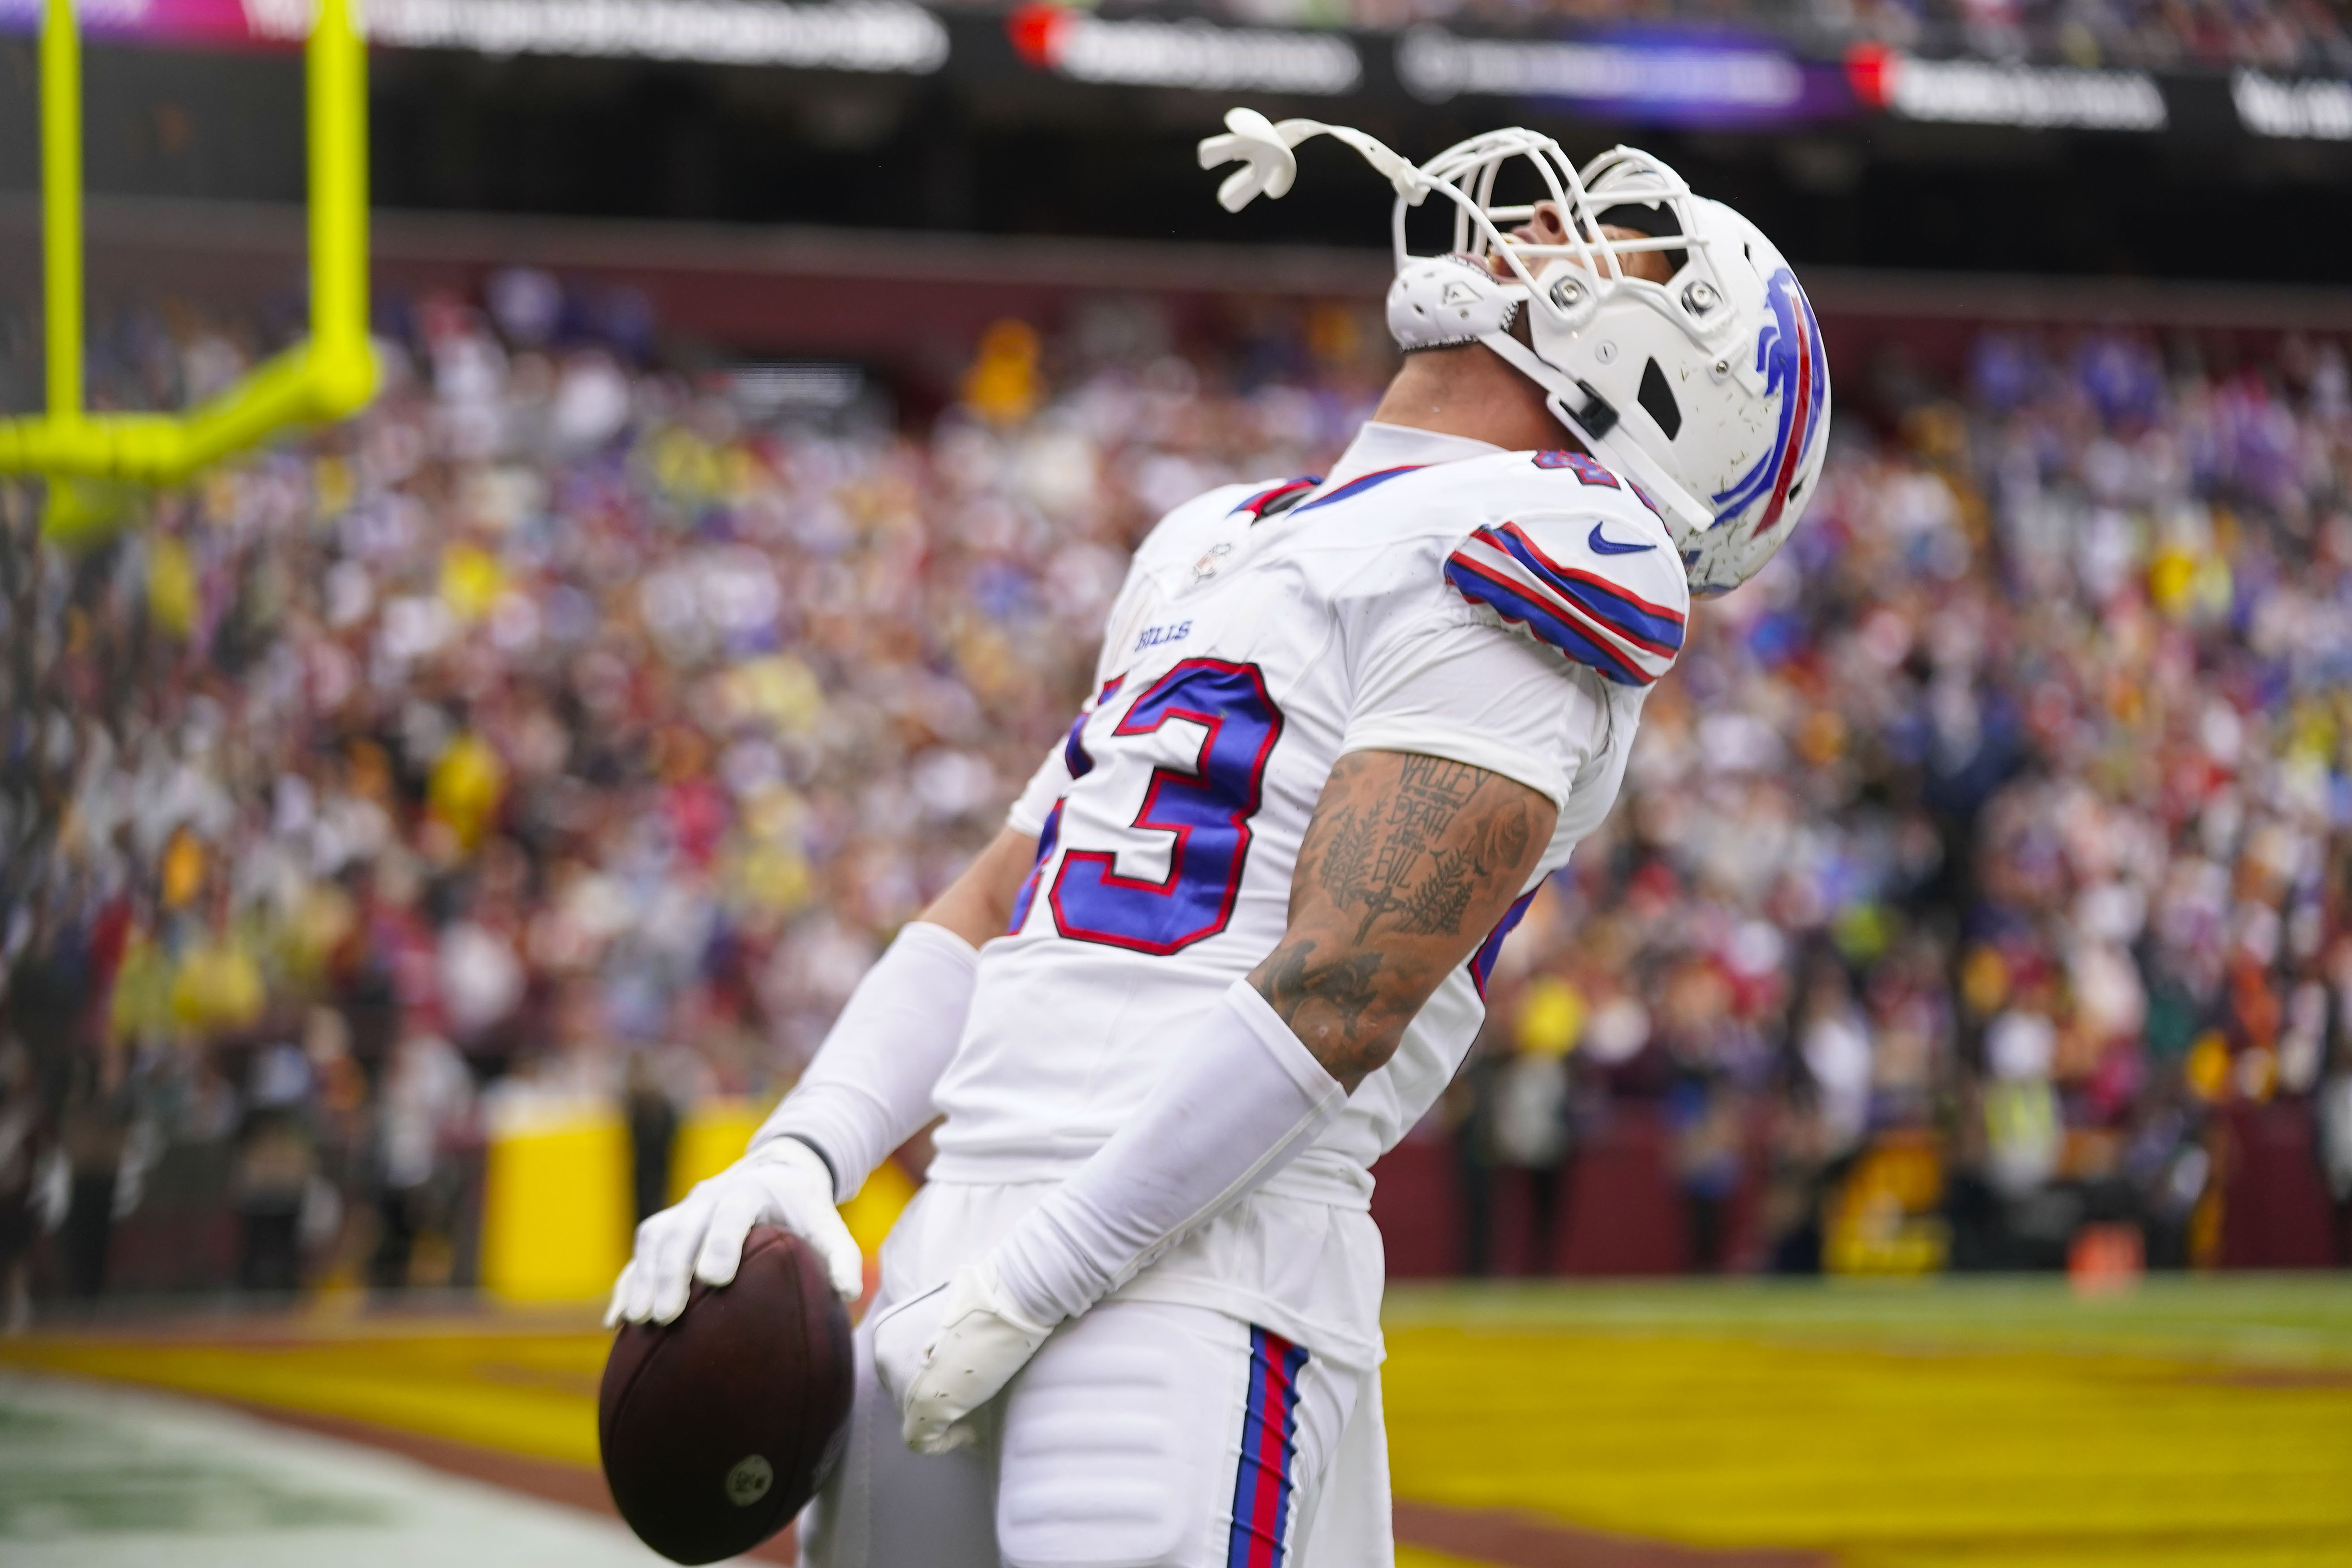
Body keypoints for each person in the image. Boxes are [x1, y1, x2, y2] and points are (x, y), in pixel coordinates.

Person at [611, 110, 1830, 1568]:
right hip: (958, 1234)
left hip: (1188, 1274)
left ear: (1672, 389)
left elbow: (1345, 986)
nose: (1549, 225)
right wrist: (803, 1155)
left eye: (1627, 248)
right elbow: (1011, 896)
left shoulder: (1558, 537)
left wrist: (1032, 1284)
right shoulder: (1223, 533)